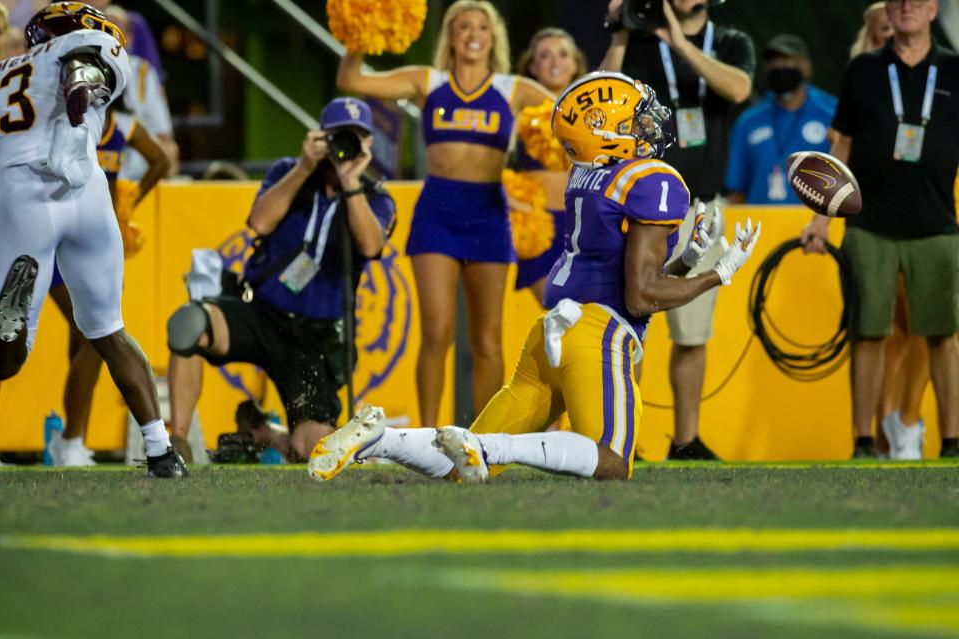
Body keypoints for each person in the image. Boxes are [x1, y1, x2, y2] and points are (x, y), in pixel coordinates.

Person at [308, 71, 759, 483]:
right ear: (604, 129)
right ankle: (485, 445)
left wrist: (687, 261)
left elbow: (629, 275)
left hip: (550, 334)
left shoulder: (586, 176)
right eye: (634, 120)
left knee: (459, 469)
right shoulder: (652, 179)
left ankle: (377, 438)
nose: (646, 127)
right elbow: (641, 298)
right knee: (611, 462)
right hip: (597, 334)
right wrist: (717, 274)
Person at [336, 0, 553, 427]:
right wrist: (360, 33)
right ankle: (430, 435)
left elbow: (571, 117)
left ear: (494, 39)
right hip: (437, 213)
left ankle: (484, 438)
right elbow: (351, 78)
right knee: (437, 332)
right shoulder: (428, 81)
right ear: (450, 37)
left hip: (490, 213)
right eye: (463, 26)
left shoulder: (513, 89)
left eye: (482, 28)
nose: (473, 34)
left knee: (487, 340)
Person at [0, 2, 186, 477]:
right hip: (88, 197)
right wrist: (83, 83)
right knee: (108, 329)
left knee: (10, 354)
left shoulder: (8, 71)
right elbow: (81, 65)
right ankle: (162, 452)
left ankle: (12, 318)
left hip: (24, 195)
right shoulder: (75, 51)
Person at [166, 97, 396, 463]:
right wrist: (306, 166)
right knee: (188, 324)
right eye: (339, 137)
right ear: (320, 137)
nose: (345, 147)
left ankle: (264, 433)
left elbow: (370, 245)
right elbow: (259, 222)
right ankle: (177, 442)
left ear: (368, 145)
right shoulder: (291, 171)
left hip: (315, 337)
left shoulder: (376, 198)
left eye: (355, 138)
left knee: (313, 450)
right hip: (260, 311)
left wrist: (351, 183)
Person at [800, 0, 959, 459]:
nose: (906, 7)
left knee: (943, 334)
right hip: (869, 222)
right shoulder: (864, 70)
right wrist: (820, 215)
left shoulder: (954, 70)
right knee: (868, 333)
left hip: (937, 223)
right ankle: (863, 439)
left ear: (934, 10)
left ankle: (952, 441)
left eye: (917, 1)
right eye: (898, 0)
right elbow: (842, 145)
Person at [600, 0, 755, 460]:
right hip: (638, 206)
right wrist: (620, 34)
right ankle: (620, 435)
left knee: (691, 334)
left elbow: (739, 88)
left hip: (703, 205)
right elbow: (604, 101)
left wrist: (681, 45)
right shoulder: (638, 44)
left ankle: (685, 440)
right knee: (624, 326)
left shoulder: (730, 42)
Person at [46, 106, 170, 466]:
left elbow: (160, 161)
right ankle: (70, 439)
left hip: (90, 241)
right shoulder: (56, 113)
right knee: (85, 335)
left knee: (86, 338)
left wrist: (129, 202)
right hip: (50, 236)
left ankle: (72, 440)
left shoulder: (124, 124)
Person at [512, 28, 586, 303]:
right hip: (538, 227)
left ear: (575, 63)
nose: (554, 62)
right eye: (545, 55)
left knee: (583, 320)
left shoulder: (594, 113)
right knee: (558, 312)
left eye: (562, 54)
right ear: (533, 66)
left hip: (583, 225)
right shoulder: (517, 110)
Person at [725, 34, 836, 205]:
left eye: (786, 60)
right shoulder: (748, 122)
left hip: (816, 225)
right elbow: (737, 191)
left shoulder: (832, 114)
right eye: (773, 62)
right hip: (761, 225)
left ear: (806, 67)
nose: (779, 66)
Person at [105, 5, 178, 178]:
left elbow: (164, 137)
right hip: (93, 164)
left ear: (129, 38)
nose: (113, 34)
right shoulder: (82, 67)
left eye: (119, 27)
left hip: (133, 168)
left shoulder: (144, 73)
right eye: (107, 27)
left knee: (168, 150)